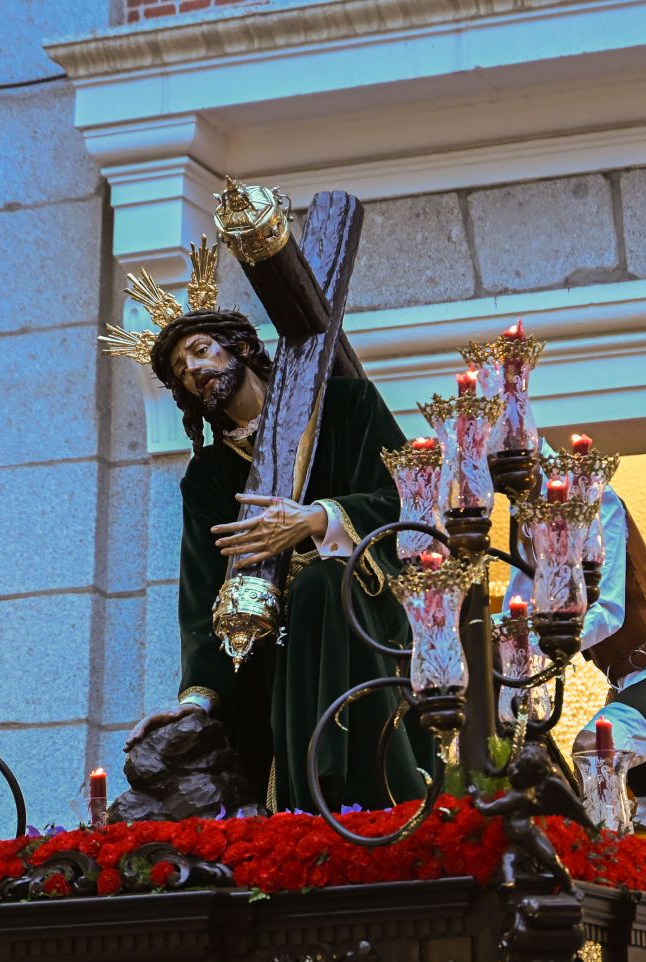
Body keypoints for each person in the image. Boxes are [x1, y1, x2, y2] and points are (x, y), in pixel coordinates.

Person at [108, 261, 426, 811]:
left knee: (322, 583)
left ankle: (356, 798)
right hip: (272, 659)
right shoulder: (209, 477)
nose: (195, 370)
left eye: (202, 350)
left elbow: (406, 502)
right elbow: (201, 594)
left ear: (243, 348)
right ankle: (305, 812)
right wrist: (197, 700)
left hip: (366, 615)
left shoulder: (347, 408)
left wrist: (317, 518)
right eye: (183, 371)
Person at [506, 451, 646, 851]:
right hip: (628, 678)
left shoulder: (595, 497)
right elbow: (516, 602)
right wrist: (503, 653)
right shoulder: (525, 516)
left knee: (595, 752)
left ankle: (606, 860)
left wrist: (545, 648)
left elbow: (608, 611)